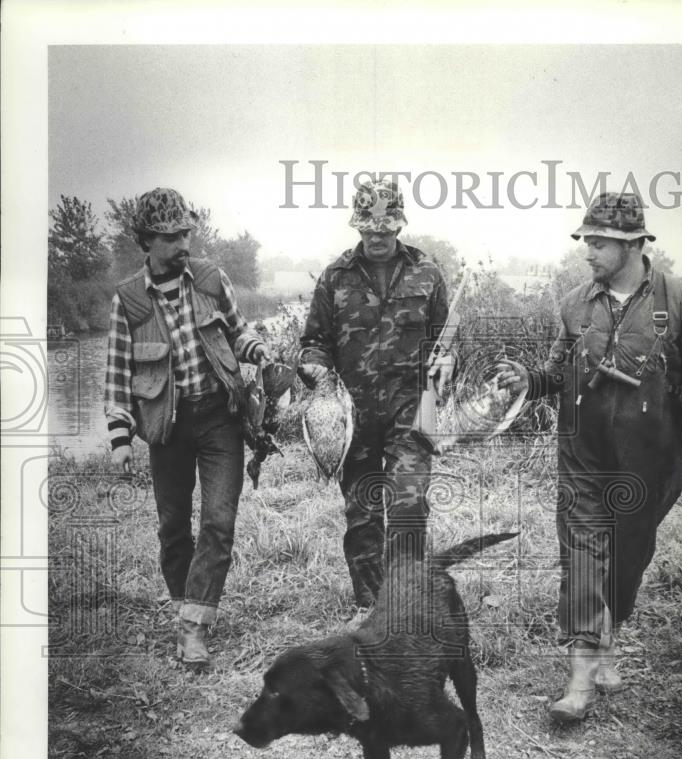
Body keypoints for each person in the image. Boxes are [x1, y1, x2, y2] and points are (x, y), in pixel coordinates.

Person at [498, 193, 682, 722]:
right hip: (583, 455)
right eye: (585, 241)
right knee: (582, 557)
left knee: (628, 558)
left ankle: (610, 636)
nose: (587, 251)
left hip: (649, 460)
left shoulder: (677, 301)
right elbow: (556, 374)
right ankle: (579, 682)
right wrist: (526, 380)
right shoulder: (576, 303)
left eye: (598, 242)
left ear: (631, 245)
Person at [104, 187, 271, 667]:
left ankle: (193, 629)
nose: (183, 244)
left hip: (221, 418)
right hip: (166, 429)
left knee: (219, 522)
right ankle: (185, 607)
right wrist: (119, 438)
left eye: (186, 233)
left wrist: (255, 348)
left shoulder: (211, 279)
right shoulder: (129, 301)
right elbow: (116, 376)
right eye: (172, 236)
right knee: (173, 529)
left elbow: (239, 330)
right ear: (147, 241)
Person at [298, 178, 450, 619]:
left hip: (409, 408)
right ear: (358, 227)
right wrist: (313, 366)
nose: (378, 237)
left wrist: (450, 360)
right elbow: (313, 342)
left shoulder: (428, 273)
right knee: (362, 510)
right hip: (352, 413)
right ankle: (370, 605)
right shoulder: (335, 276)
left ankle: (404, 598)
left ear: (400, 224)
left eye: (386, 229)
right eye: (369, 229)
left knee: (409, 500)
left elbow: (447, 339)